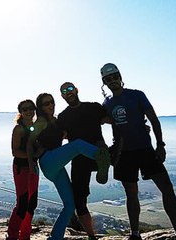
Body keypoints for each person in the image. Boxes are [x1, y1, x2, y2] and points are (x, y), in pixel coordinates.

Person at [100, 63, 176, 240]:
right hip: (124, 154)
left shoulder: (137, 95)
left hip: (145, 150)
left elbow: (154, 120)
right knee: (131, 195)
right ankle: (135, 234)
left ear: (120, 76)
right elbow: (107, 122)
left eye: (115, 77)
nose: (113, 81)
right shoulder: (107, 103)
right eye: (108, 79)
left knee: (167, 190)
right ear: (104, 82)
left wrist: (161, 145)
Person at [27, 93, 110, 240]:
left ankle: (55, 238)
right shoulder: (40, 121)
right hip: (48, 160)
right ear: (40, 107)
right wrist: (31, 161)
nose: (50, 105)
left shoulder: (56, 121)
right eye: (46, 104)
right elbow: (29, 141)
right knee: (77, 145)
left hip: (55, 167)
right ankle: (102, 157)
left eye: (51, 102)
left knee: (70, 205)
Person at [57, 82, 109, 240]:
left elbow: (114, 120)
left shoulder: (93, 107)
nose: (68, 92)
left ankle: (103, 163)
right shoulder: (63, 116)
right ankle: (91, 236)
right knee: (79, 201)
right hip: (80, 160)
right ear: (62, 96)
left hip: (97, 152)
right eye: (65, 91)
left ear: (76, 90)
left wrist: (140, 126)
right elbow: (59, 137)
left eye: (70, 89)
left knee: (101, 149)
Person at [7, 99, 39, 240]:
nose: (28, 111)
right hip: (22, 168)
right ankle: (12, 236)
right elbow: (15, 152)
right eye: (25, 109)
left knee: (32, 203)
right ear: (20, 112)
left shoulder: (35, 126)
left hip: (33, 167)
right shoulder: (19, 128)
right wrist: (34, 155)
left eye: (31, 108)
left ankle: (25, 236)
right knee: (22, 204)